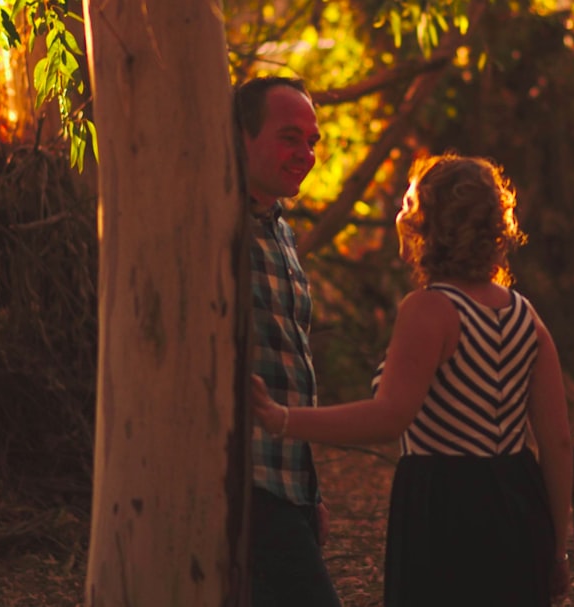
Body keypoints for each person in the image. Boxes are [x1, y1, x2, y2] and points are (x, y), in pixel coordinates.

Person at [251, 152, 573, 606]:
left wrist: (281, 419)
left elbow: (387, 419)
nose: (400, 215)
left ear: (432, 224)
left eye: (408, 203)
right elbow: (558, 442)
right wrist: (555, 549)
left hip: (447, 508)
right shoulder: (526, 315)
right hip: (520, 505)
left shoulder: (429, 310)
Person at [234, 76, 341, 607]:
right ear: (240, 137)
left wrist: (310, 492)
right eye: (289, 137)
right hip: (240, 482)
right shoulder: (212, 223)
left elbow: (290, 366)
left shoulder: (280, 229)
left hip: (287, 482)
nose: (306, 154)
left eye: (312, 141)